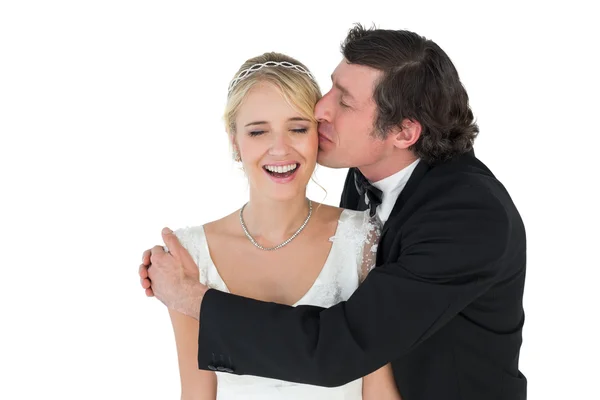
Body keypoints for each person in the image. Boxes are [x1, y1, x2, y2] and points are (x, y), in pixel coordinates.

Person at [140, 24, 527, 400]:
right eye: (331, 87)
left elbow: (338, 348)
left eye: (344, 101)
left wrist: (190, 298)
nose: (320, 108)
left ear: (404, 133)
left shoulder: (469, 216)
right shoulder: (364, 173)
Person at [149, 51, 403, 399]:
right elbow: (196, 393)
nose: (280, 149)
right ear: (234, 141)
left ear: (318, 136)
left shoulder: (364, 240)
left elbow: (379, 391)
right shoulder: (189, 255)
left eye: (297, 128)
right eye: (258, 132)